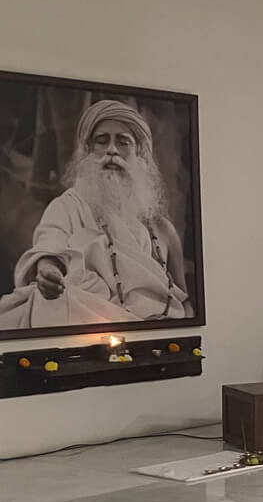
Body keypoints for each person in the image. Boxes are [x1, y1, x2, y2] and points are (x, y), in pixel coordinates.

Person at [0, 99, 189, 329]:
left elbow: (183, 302)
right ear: (89, 150)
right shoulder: (68, 206)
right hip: (85, 319)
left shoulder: (162, 230)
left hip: (150, 329)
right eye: (102, 141)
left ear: (139, 152)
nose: (112, 150)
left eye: (123, 142)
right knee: (53, 302)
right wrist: (48, 270)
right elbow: (50, 243)